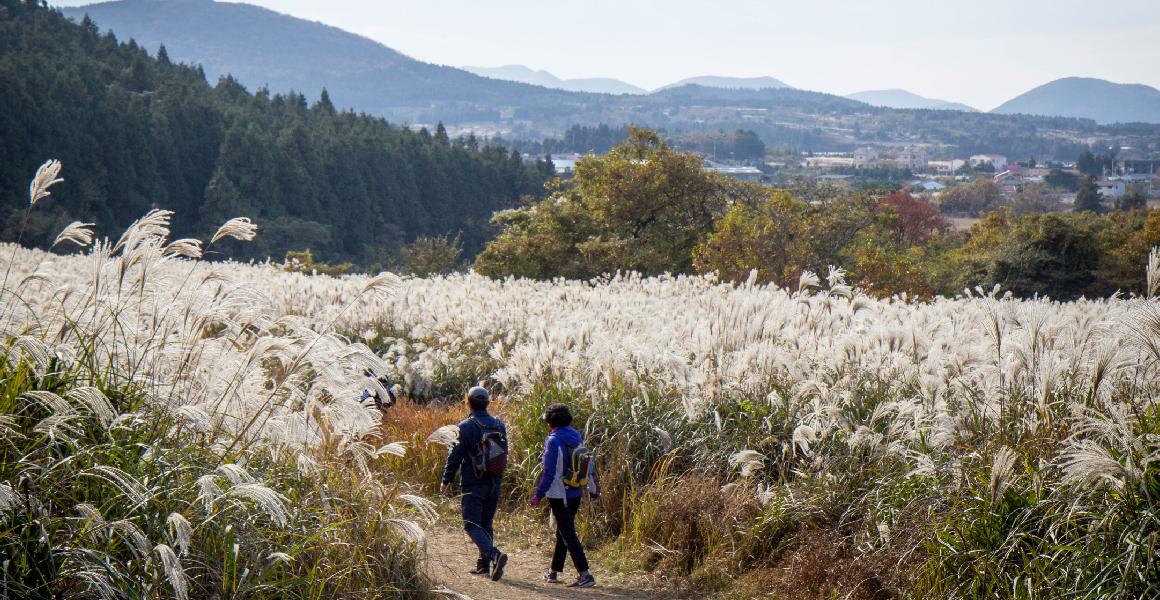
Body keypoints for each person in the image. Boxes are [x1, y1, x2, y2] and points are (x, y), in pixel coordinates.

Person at [440, 386, 509, 580]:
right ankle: (484, 566)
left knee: (471, 524)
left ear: (468, 403)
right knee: (486, 523)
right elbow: (504, 453)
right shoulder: (499, 424)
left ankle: (494, 554)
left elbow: (454, 456)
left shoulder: (465, 427)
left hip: (473, 481)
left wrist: (446, 480)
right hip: (495, 480)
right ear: (487, 403)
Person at [529, 403, 596, 588]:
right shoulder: (575, 436)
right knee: (563, 532)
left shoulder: (553, 441)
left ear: (551, 422)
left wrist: (538, 494)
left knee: (567, 533)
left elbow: (549, 473)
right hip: (575, 492)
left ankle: (585, 574)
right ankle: (553, 572)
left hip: (560, 495)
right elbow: (587, 464)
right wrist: (593, 488)